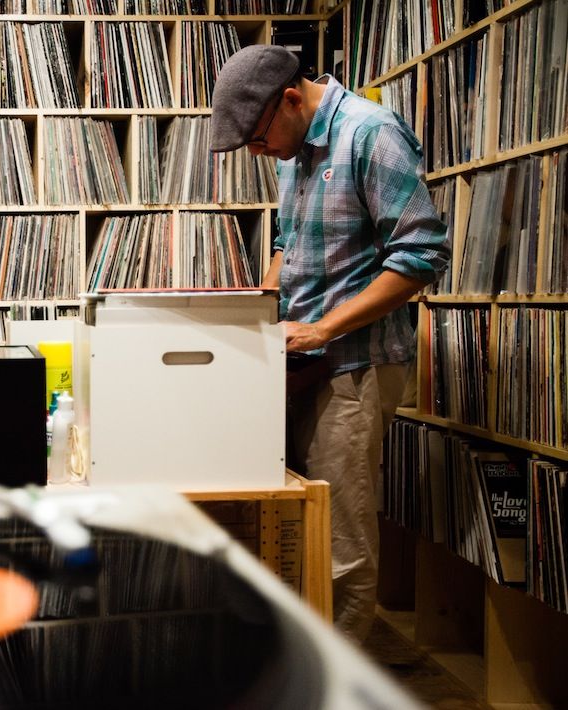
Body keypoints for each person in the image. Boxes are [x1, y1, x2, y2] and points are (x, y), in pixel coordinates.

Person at [207, 45, 450, 642]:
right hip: (294, 365)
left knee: (339, 540)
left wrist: (323, 328)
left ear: (291, 99)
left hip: (351, 367)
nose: (259, 154)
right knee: (288, 526)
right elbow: (289, 244)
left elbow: (423, 255)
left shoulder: (372, 133)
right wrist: (255, 312)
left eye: (259, 140)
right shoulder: (294, 149)